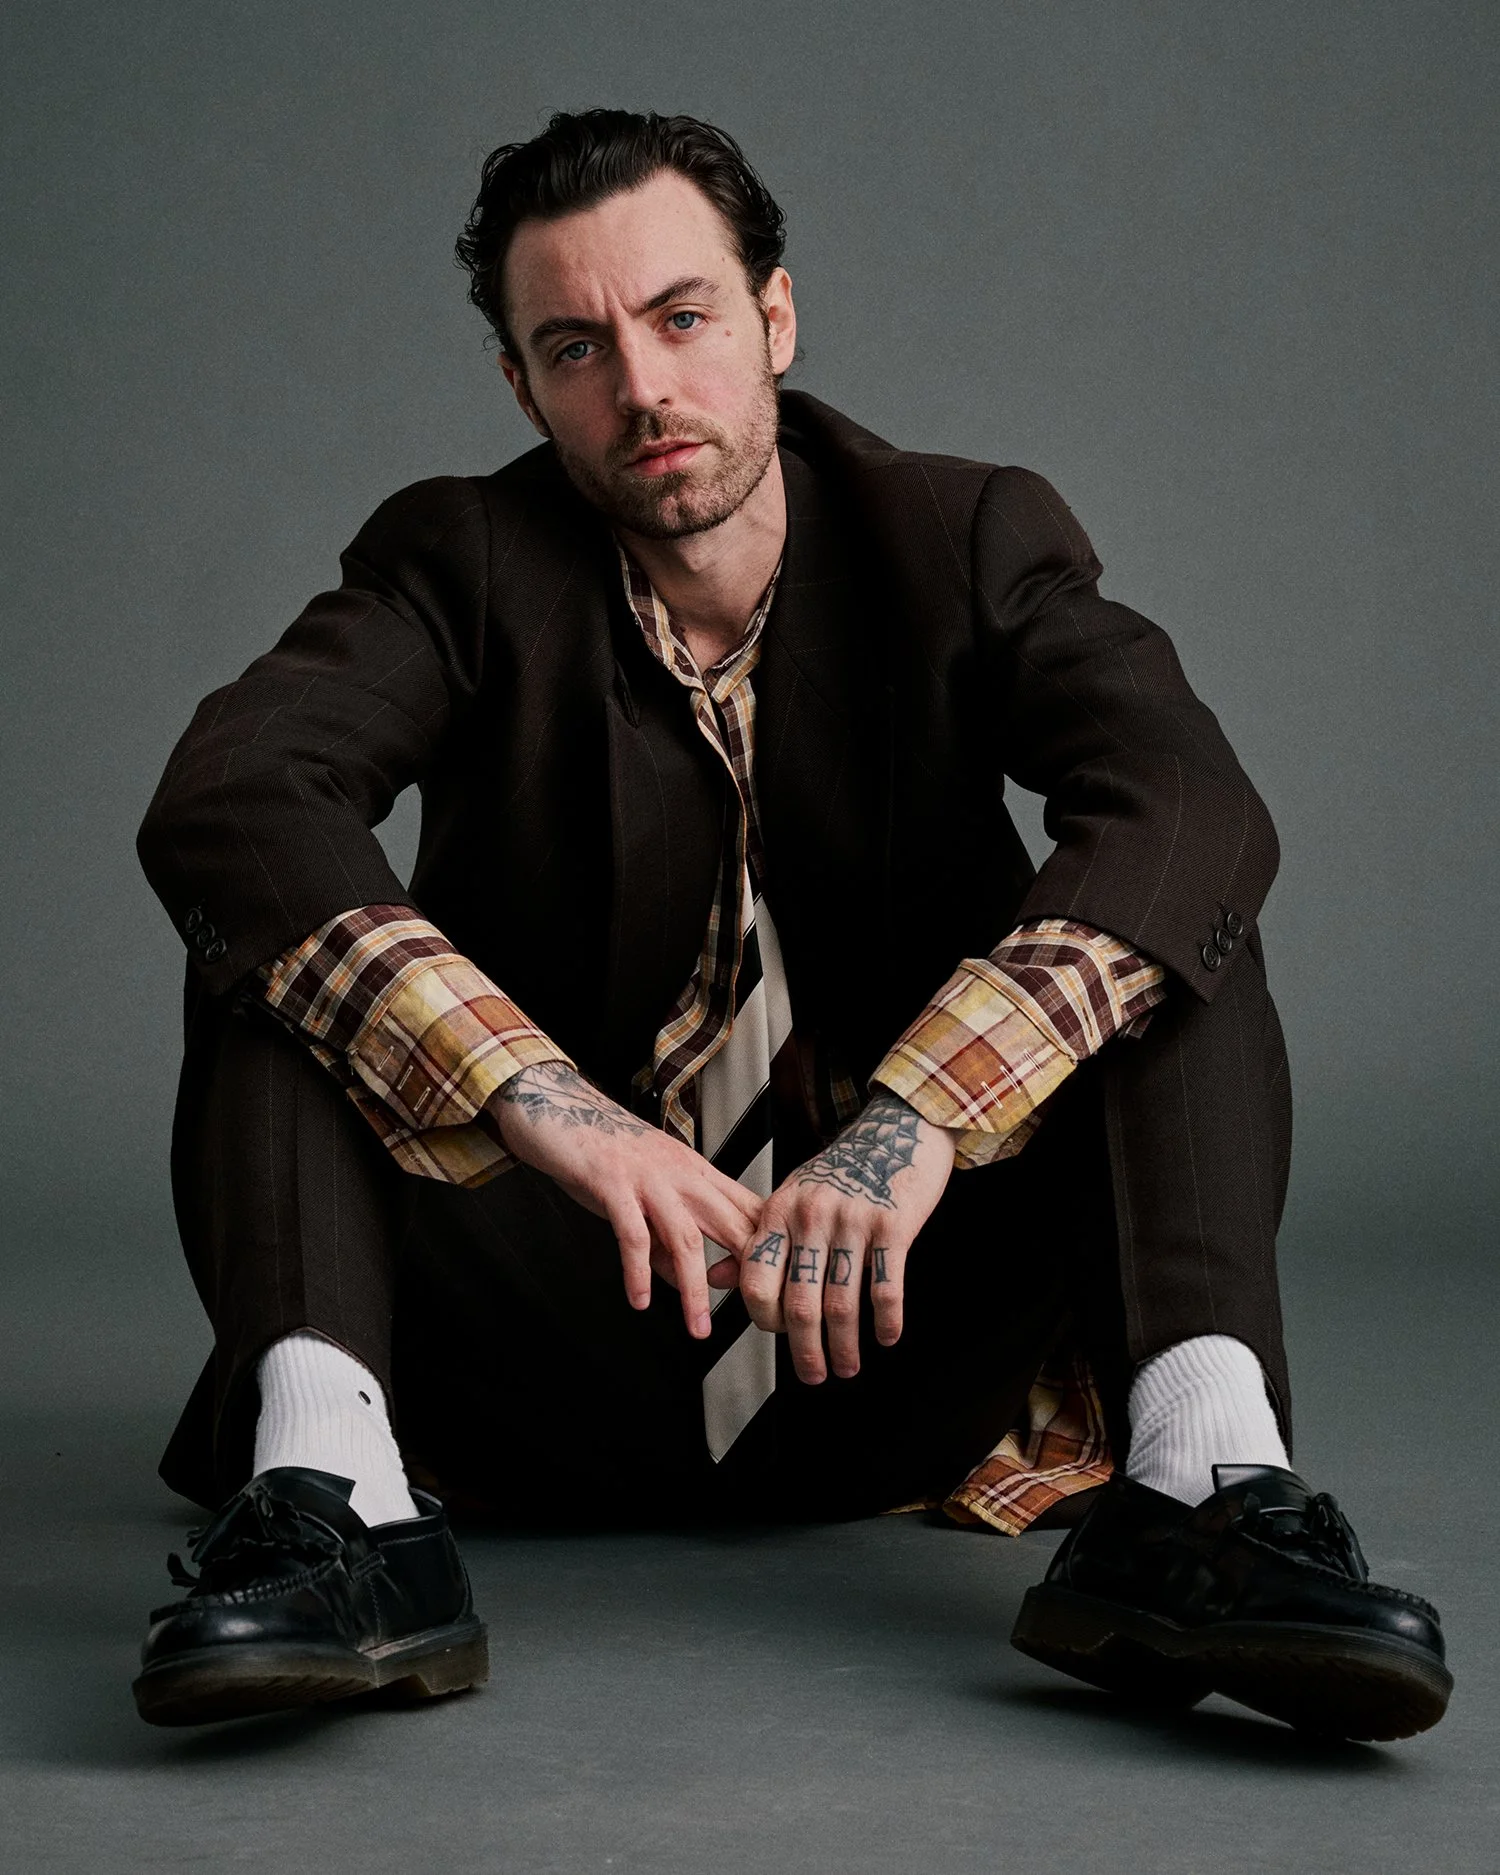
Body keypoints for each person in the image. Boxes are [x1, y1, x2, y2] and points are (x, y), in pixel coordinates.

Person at [131, 108, 1450, 1742]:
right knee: (272, 939)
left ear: (773, 318)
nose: (643, 388)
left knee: (1172, 925)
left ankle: (1203, 1488)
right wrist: (561, 1116)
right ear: (524, 391)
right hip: (550, 1348)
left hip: (903, 1341)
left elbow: (1191, 804)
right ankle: (334, 1505)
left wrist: (915, 1124)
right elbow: (233, 798)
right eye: (575, 348)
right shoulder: (456, 561)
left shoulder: (964, 540)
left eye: (682, 317)